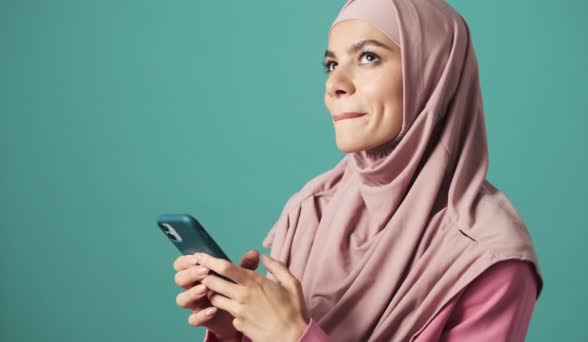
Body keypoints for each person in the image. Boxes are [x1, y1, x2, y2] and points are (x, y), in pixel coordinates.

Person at [171, 0, 545, 340]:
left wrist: (293, 336)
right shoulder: (312, 209)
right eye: (331, 65)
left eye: (368, 57)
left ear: (433, 73)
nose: (335, 84)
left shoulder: (487, 255)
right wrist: (237, 329)